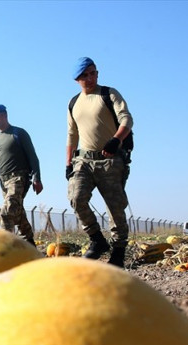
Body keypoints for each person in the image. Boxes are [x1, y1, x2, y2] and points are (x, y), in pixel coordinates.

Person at [66, 57, 133, 267]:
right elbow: (71, 135)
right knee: (76, 198)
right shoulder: (74, 103)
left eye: (93, 73)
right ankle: (97, 240)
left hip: (110, 161)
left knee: (115, 207)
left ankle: (119, 250)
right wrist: (68, 163)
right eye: (85, 75)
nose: (91, 78)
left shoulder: (108, 94)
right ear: (77, 79)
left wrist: (116, 140)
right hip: (84, 161)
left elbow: (127, 119)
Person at [0, 104, 43, 245]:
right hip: (3, 181)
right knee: (17, 213)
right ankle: (29, 243)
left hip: (18, 178)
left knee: (6, 212)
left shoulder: (18, 133)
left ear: (4, 116)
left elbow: (33, 157)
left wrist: (37, 178)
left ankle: (2, 247)